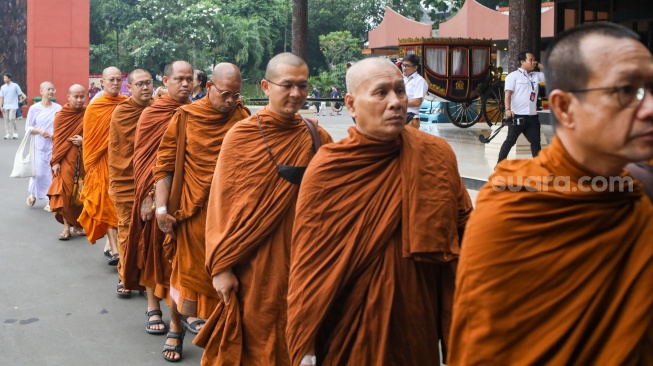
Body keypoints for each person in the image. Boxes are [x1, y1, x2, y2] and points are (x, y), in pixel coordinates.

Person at [448, 22, 653, 364]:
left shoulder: (637, 198)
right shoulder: (514, 208)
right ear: (565, 107)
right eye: (626, 90)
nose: (648, 108)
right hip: (520, 117)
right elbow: (483, 348)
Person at [286, 58, 472, 365]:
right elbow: (309, 261)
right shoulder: (330, 168)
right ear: (351, 104)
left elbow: (464, 232)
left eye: (400, 91)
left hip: (417, 318)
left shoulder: (435, 154)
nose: (396, 102)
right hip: (351, 322)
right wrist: (306, 343)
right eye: (381, 92)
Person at [197, 53, 333, 365]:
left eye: (302, 86)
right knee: (254, 345)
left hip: (303, 265)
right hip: (253, 268)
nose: (296, 93)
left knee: (298, 344)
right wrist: (220, 267)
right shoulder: (241, 136)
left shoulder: (316, 137)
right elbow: (222, 203)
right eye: (287, 85)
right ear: (266, 86)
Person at [152, 62, 251, 362]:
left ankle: (221, 333)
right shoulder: (185, 117)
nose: (231, 100)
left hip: (230, 216)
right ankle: (175, 327)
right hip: (191, 214)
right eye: (225, 94)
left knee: (230, 278)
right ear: (208, 89)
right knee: (182, 274)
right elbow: (164, 166)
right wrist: (159, 208)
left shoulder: (243, 117)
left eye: (236, 94)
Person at [126, 61, 193, 346]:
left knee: (182, 258)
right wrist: (146, 198)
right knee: (153, 252)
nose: (186, 84)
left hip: (188, 198)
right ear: (165, 81)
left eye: (190, 79)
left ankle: (182, 312)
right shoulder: (153, 114)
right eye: (179, 79)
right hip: (156, 196)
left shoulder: (198, 112)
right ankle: (153, 305)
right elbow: (142, 160)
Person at [107, 68, 154, 297]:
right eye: (140, 84)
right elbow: (124, 148)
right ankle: (125, 274)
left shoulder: (159, 110)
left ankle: (146, 276)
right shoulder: (122, 112)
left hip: (152, 182)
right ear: (130, 87)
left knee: (149, 233)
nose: (145, 88)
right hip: (126, 180)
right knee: (127, 229)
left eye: (148, 83)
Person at [78, 66, 128, 265]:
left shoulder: (127, 104)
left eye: (118, 80)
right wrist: (89, 164)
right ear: (102, 82)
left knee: (119, 205)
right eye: (111, 80)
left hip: (123, 162)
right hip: (102, 162)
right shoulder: (95, 107)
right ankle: (116, 251)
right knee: (107, 204)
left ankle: (116, 246)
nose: (115, 83)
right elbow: (90, 138)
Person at [47, 84, 86, 240]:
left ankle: (77, 224)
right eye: (75, 97)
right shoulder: (62, 115)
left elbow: (93, 135)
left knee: (80, 193)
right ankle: (66, 227)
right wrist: (55, 161)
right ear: (68, 97)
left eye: (81, 97)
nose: (78, 100)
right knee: (65, 193)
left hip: (82, 158)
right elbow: (57, 139)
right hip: (64, 160)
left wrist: (83, 140)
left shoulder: (87, 113)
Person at [497, 51, 546, 163]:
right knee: (510, 141)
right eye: (531, 60)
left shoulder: (536, 76)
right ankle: (499, 165)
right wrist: (508, 109)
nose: (533, 62)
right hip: (517, 116)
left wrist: (538, 64)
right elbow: (508, 94)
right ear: (522, 62)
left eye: (535, 60)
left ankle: (539, 168)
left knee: (536, 143)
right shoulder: (513, 76)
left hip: (532, 117)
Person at [25, 81, 63, 210]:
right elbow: (28, 127)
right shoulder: (34, 108)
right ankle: (34, 193)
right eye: (48, 89)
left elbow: (62, 126)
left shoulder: (58, 108)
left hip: (54, 144)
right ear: (41, 91)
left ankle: (49, 199)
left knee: (51, 173)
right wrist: (40, 131)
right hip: (39, 145)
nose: (51, 91)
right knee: (39, 173)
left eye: (53, 89)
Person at [401, 53, 427, 129]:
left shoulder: (420, 81)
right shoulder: (400, 78)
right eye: (403, 65)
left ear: (415, 67)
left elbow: (417, 102)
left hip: (410, 120)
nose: (404, 68)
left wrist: (399, 101)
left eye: (407, 66)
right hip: (399, 118)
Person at [0, 73, 26, 139]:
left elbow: (20, 94)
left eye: (5, 78)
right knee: (6, 120)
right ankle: (8, 133)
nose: (4, 79)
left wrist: (19, 100)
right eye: (4, 78)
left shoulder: (15, 85)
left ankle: (15, 132)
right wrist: (1, 106)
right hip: (5, 106)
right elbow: (1, 97)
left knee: (11, 118)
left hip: (13, 106)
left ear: (9, 78)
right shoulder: (3, 87)